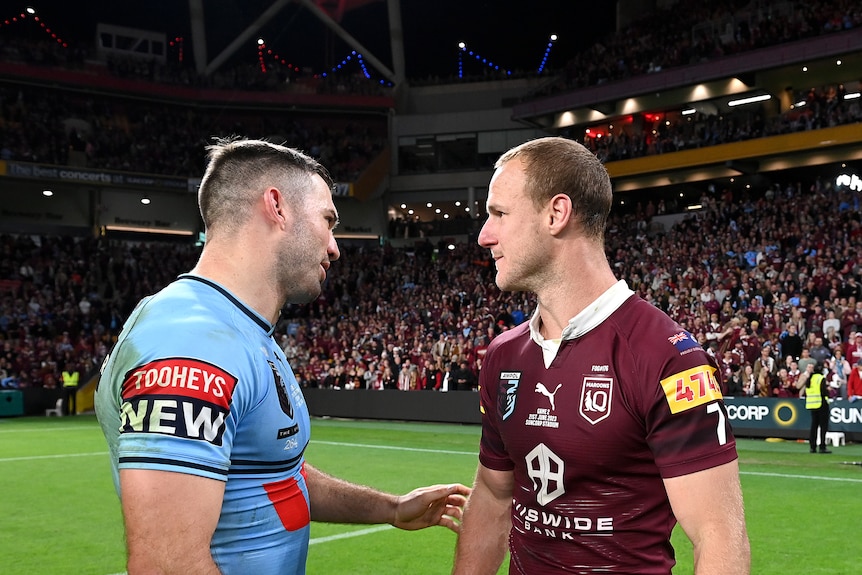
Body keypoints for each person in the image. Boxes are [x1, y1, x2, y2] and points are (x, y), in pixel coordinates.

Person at [94, 138, 470, 575]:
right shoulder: (191, 341)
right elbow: (166, 565)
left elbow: (274, 477)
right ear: (277, 206)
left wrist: (391, 508)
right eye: (327, 221)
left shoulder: (240, 331)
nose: (335, 247)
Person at [453, 137, 749, 574]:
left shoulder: (666, 357)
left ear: (556, 214)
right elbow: (494, 499)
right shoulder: (503, 355)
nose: (484, 235)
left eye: (499, 213)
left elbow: (719, 536)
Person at [796, 362, 832, 453]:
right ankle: (822, 446)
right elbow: (823, 392)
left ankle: (812, 447)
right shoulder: (820, 378)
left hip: (812, 404)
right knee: (823, 427)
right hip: (821, 403)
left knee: (814, 426)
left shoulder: (810, 378)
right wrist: (828, 391)